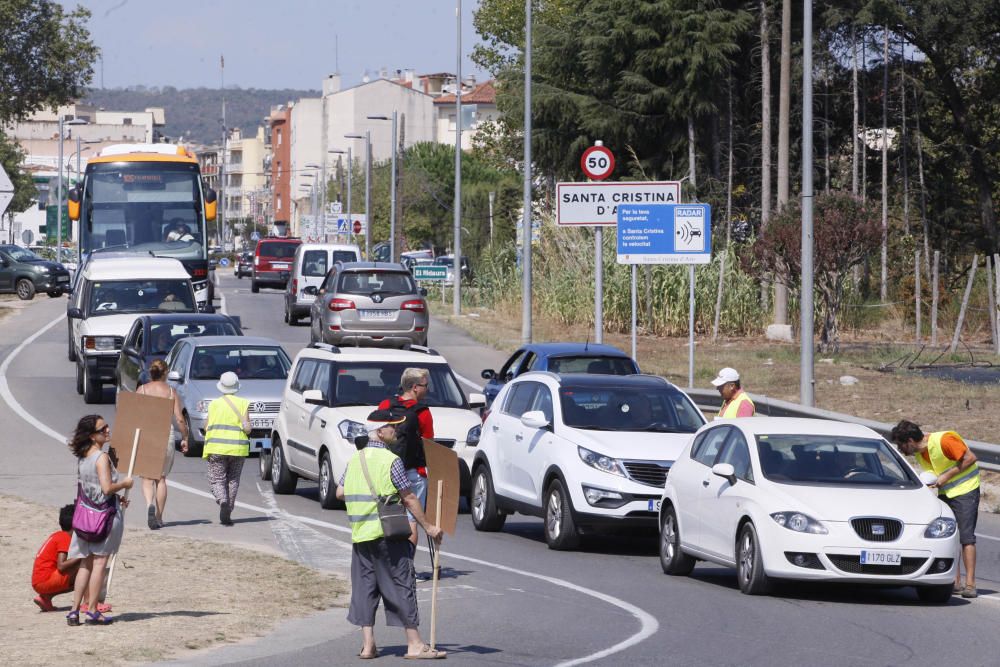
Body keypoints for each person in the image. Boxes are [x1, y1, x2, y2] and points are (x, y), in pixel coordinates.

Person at [335, 409, 446, 660]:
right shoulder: (390, 460)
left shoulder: (356, 459)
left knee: (365, 588)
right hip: (388, 534)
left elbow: (340, 492)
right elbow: (408, 497)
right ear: (381, 431)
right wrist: (429, 527)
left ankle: (368, 645)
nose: (396, 431)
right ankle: (415, 644)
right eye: (393, 427)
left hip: (361, 535)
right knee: (400, 584)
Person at [891, 420, 980, 598]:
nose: (901, 450)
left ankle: (970, 584)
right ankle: (955, 582)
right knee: (949, 536)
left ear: (910, 440)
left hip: (965, 490)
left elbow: (970, 458)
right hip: (946, 492)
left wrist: (945, 477)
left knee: (966, 538)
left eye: (901, 445)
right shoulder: (919, 454)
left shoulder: (944, 440)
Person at [66, 415, 133, 626]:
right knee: (99, 563)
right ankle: (93, 610)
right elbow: (105, 488)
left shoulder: (83, 456)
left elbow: (91, 489)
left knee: (85, 563)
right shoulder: (101, 457)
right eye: (102, 428)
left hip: (85, 515)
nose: (107, 430)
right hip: (103, 517)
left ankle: (74, 610)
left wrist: (115, 495)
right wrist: (124, 484)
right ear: (92, 435)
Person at [378, 368, 434, 551]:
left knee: (385, 516)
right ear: (415, 387)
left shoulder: (386, 404)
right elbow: (428, 444)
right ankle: (408, 568)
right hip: (413, 472)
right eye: (426, 386)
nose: (428, 389)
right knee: (412, 519)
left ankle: (389, 564)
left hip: (386, 471)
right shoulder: (423, 413)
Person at [137, 359, 189, 529]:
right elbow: (180, 419)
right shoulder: (171, 392)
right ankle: (159, 517)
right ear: (166, 373)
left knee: (146, 478)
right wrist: (185, 437)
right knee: (161, 478)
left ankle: (148, 506)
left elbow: (133, 415)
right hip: (165, 434)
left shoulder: (142, 390)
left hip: (146, 435)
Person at [203, 371, 251, 526]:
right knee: (233, 479)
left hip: (216, 448)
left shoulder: (214, 404)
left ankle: (223, 501)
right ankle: (228, 510)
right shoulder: (243, 403)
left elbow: (206, 427)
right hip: (237, 449)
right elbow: (248, 429)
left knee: (217, 479)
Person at [31, 504, 81, 611]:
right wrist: (82, 556)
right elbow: (61, 566)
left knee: (80, 569)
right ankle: (89, 603)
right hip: (45, 581)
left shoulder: (57, 535)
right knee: (85, 569)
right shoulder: (65, 537)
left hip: (38, 581)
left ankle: (46, 598)